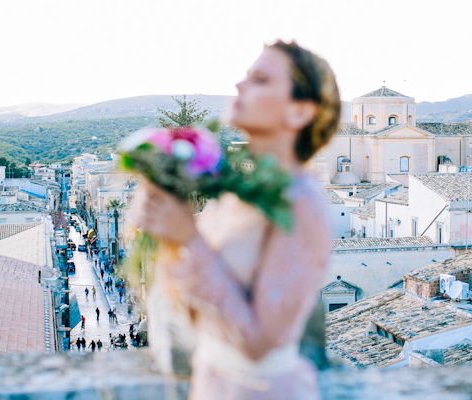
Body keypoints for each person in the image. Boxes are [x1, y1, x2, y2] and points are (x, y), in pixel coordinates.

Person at [131, 40, 340, 399]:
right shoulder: (234, 195)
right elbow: (201, 310)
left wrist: (189, 239)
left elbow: (258, 343)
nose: (239, 86)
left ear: (300, 112)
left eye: (260, 79)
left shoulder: (302, 205)